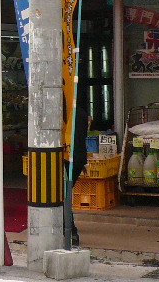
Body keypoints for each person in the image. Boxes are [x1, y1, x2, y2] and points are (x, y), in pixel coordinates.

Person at [63, 92, 89, 246]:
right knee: (65, 193)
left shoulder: (64, 115)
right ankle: (69, 230)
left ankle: (70, 231)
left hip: (66, 157)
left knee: (62, 195)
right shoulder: (81, 113)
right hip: (78, 158)